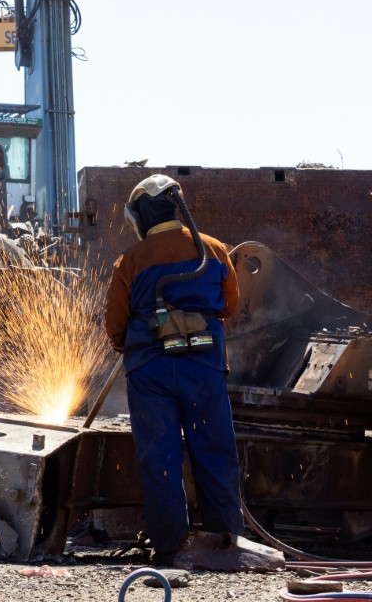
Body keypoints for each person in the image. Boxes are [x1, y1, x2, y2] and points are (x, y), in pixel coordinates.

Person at [103, 174, 244, 567]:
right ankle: (225, 544)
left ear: (142, 215)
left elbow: (115, 322)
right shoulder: (213, 250)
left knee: (159, 456)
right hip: (204, 368)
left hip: (151, 372)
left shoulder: (131, 261)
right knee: (214, 450)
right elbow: (230, 306)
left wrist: (127, 343)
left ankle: (170, 549)